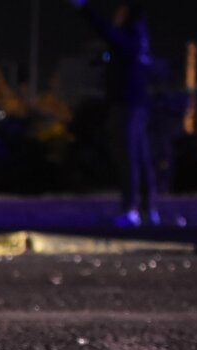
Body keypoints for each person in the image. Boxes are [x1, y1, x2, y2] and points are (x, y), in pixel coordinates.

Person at [68, 0, 159, 226]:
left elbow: (104, 30)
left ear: (127, 15)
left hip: (126, 106)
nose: (116, 16)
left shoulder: (128, 38)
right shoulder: (138, 41)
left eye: (120, 12)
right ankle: (148, 210)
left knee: (128, 158)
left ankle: (131, 209)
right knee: (139, 157)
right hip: (136, 105)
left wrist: (84, 8)